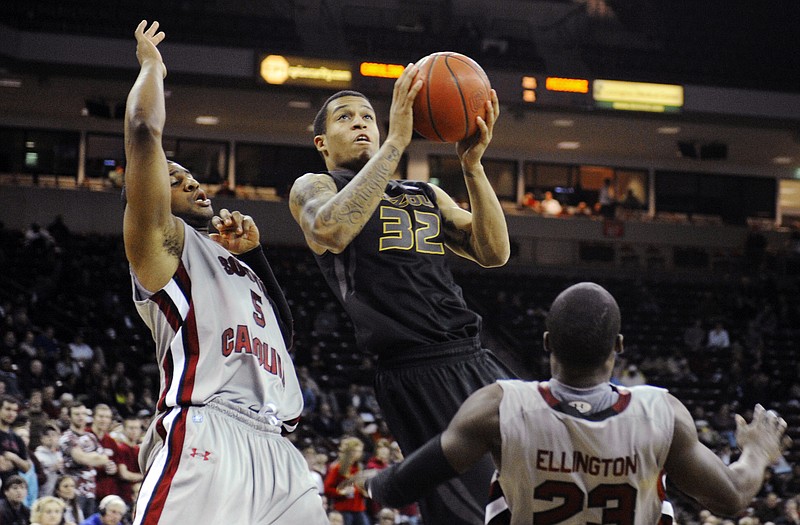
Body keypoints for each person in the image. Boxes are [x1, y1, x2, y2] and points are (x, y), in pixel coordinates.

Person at [347, 282, 789, 523]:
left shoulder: (497, 407)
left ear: (546, 343)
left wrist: (368, 482)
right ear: (618, 344)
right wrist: (759, 450)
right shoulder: (662, 412)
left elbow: (401, 485)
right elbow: (731, 498)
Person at [289, 63, 513, 524]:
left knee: (524, 483)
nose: (360, 124)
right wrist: (394, 144)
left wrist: (472, 168)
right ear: (321, 143)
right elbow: (330, 229)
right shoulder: (318, 186)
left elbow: (494, 252)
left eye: (368, 117)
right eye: (345, 118)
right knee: (470, 511)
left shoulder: (423, 193)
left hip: (473, 354)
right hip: (416, 368)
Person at [123, 20, 326, 524]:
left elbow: (282, 340)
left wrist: (256, 259)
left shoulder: (231, 257)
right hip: (208, 432)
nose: (192, 183)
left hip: (280, 451)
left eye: (192, 176)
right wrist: (152, 66)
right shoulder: (164, 244)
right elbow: (145, 131)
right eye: (175, 178)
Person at [59, 403, 113, 517]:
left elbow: (104, 459)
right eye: (76, 414)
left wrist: (90, 457)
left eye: (83, 414)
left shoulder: (91, 437)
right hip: (74, 491)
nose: (80, 417)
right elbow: (81, 458)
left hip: (91, 491)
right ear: (69, 417)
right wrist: (93, 456)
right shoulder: (67, 438)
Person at [324, 437, 370, 525]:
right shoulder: (337, 468)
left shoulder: (358, 467)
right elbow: (327, 489)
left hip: (359, 508)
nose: (360, 453)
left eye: (360, 451)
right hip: (343, 509)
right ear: (350, 451)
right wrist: (341, 492)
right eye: (357, 451)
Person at [0, 395, 32, 486]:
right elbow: (2, 465)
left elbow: (26, 467)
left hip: (13, 490)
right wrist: (18, 463)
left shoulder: (17, 438)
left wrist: (14, 458)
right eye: (8, 409)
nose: (11, 413)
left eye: (14, 410)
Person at [35, 424, 65, 497]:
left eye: (53, 435)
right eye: (47, 435)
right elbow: (35, 478)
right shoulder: (37, 456)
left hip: (58, 495)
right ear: (41, 439)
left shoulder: (59, 455)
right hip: (43, 495)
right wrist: (52, 469)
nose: (51, 438)